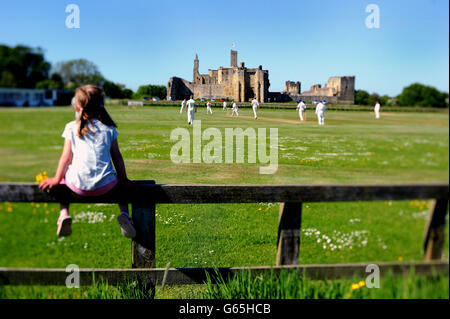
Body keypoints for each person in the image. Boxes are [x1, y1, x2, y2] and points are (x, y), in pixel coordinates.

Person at [38, 85, 136, 238]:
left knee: (63, 179)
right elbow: (117, 157)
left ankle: (64, 214)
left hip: (77, 185)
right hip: (105, 186)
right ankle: (124, 214)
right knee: (119, 182)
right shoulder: (109, 128)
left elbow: (66, 157)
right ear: (101, 106)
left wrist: (56, 179)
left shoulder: (71, 127)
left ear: (77, 107)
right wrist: (124, 180)